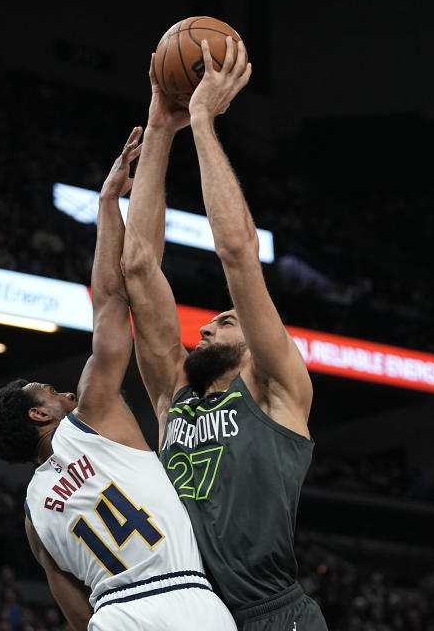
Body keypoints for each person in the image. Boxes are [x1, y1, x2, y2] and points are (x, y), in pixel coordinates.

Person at [0, 129, 235, 631]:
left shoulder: (33, 518)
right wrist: (106, 203)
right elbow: (110, 305)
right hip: (182, 598)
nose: (65, 393)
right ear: (40, 415)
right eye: (50, 392)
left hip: (114, 617)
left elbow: (77, 615)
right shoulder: (88, 420)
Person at [120, 37, 329, 630]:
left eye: (225, 321)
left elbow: (237, 253)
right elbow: (138, 269)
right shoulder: (171, 397)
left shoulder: (277, 391)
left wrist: (204, 122)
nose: (207, 324)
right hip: (189, 616)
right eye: (208, 323)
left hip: (270, 613)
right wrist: (161, 127)